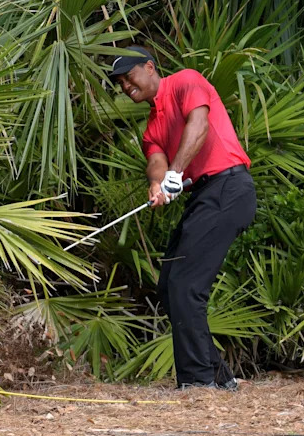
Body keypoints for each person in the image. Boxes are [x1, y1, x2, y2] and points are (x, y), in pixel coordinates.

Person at [109, 46, 256, 390]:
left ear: (149, 67)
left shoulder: (185, 81)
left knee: (187, 286)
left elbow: (199, 123)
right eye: (119, 84)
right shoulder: (151, 126)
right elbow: (155, 159)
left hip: (229, 187)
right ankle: (219, 378)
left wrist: (176, 173)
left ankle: (198, 383)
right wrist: (159, 183)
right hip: (205, 197)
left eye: (128, 77)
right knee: (171, 284)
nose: (125, 87)